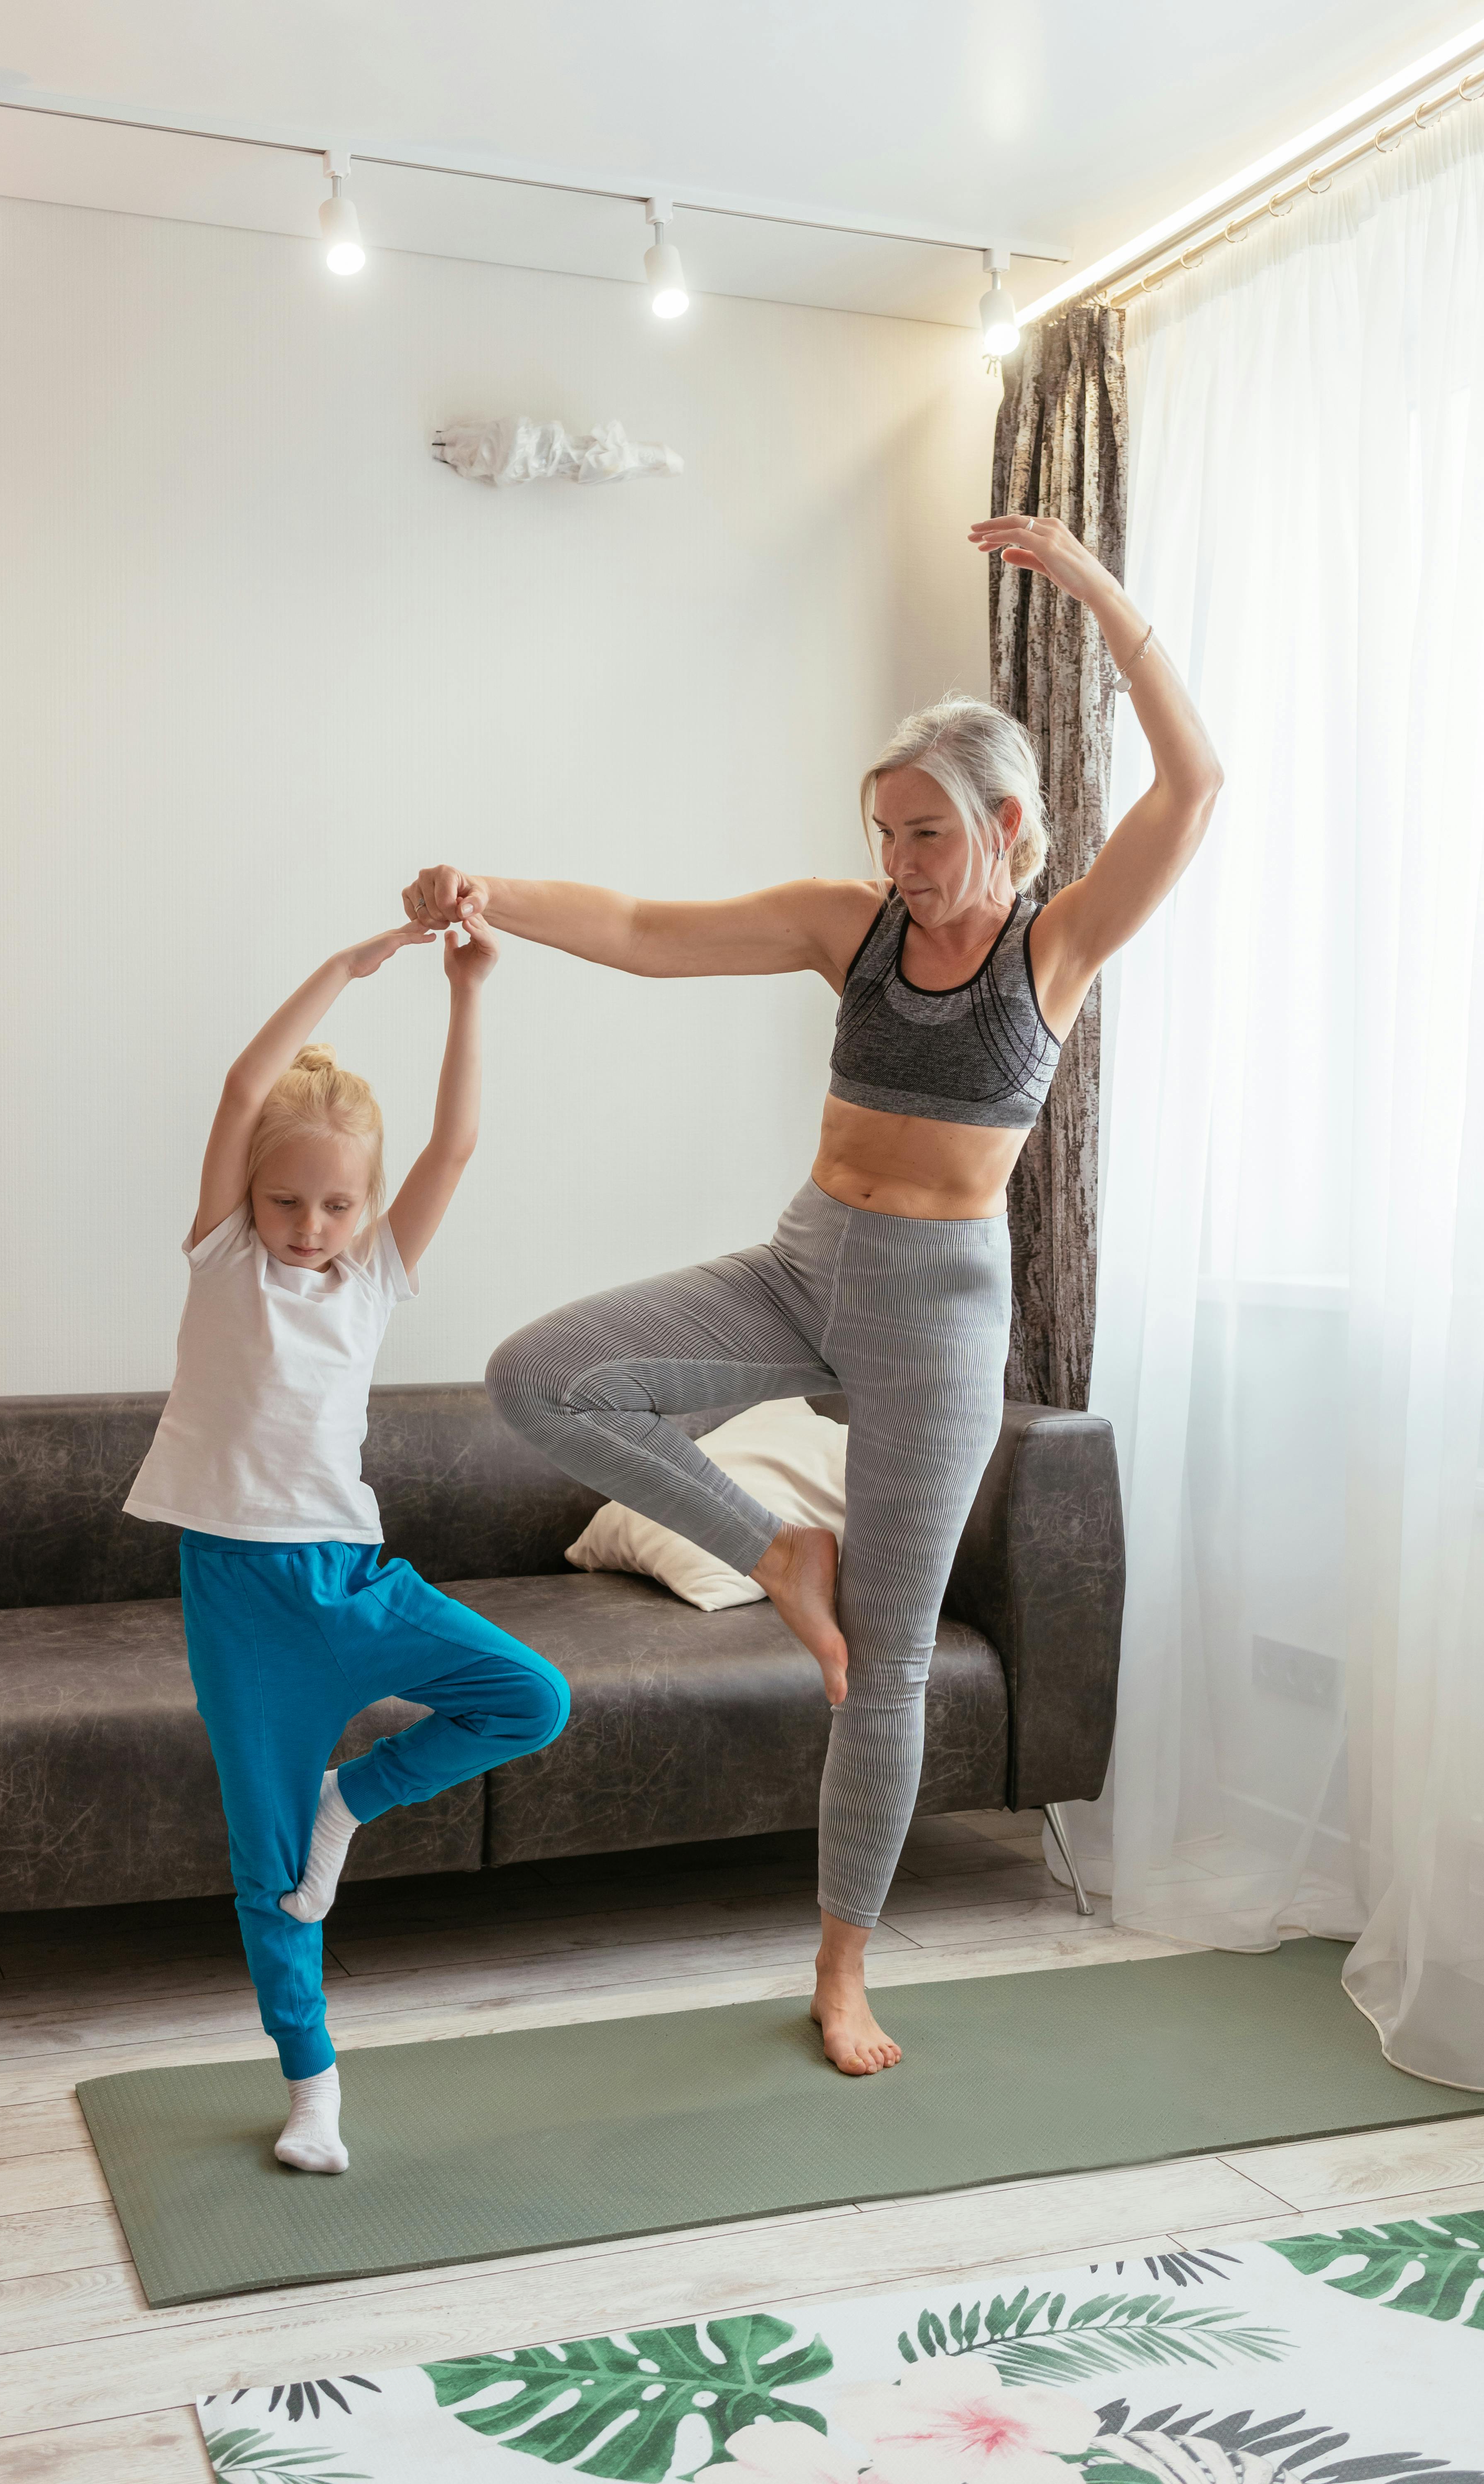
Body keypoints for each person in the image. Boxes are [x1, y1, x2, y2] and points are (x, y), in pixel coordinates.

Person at [401, 512, 1222, 2077]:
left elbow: (1197, 791)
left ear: (1005, 825)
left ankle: (844, 1971)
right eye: (885, 833)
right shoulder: (844, 934)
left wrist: (1103, 597)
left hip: (939, 1321)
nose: (898, 864)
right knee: (540, 1377)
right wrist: (489, 891)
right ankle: (782, 1547)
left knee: (888, 1664)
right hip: (801, 1263)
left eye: (926, 834)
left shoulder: (1053, 950)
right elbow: (644, 933)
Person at [123, 917, 570, 2172]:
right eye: (287, 1201)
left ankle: (348, 1801)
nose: (309, 1224)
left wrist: (469, 988)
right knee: (269, 1876)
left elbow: (459, 1142)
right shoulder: (222, 1261)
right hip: (238, 1603)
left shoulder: (372, 1279)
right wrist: (346, 969)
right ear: (247, 1199)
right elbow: (241, 1088)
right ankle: (312, 2089)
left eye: (336, 1204)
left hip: (352, 1583)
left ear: (365, 1209)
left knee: (531, 1697)